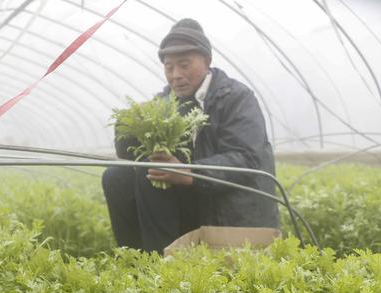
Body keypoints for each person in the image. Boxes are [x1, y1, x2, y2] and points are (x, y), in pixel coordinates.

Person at [102, 18, 279, 254]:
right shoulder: (165, 102)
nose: (175, 75)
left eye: (184, 65)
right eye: (169, 67)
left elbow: (246, 158)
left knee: (150, 173)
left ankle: (162, 267)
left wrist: (190, 172)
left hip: (227, 207)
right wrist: (131, 120)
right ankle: (139, 262)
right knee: (117, 176)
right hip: (190, 205)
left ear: (207, 62)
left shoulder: (236, 97)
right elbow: (126, 153)